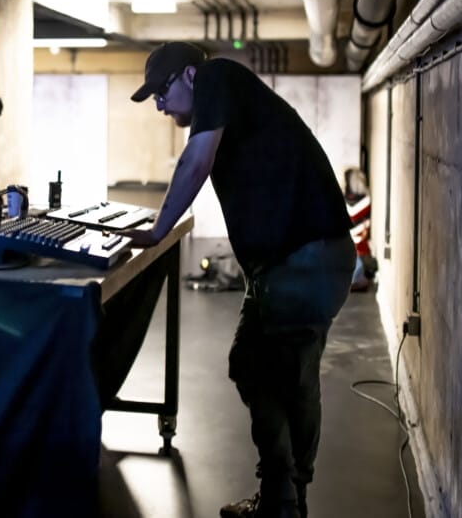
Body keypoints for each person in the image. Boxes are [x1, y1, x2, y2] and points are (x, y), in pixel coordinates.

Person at [122, 42, 355, 518]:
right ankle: (286, 500)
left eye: (162, 93)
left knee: (265, 366)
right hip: (306, 260)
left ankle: (283, 500)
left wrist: (156, 230)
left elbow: (195, 162)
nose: (161, 106)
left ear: (189, 75)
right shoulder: (231, 101)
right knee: (284, 374)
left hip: (303, 260)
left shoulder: (218, 79)